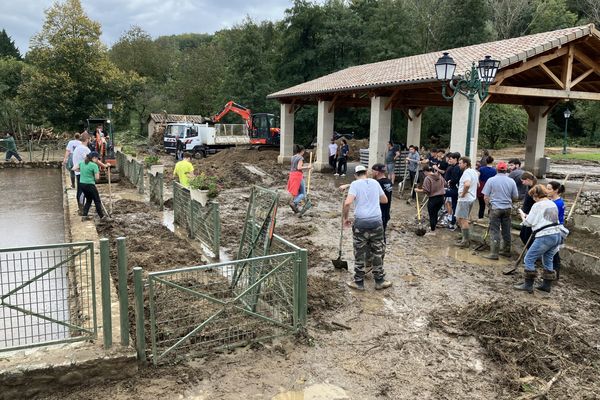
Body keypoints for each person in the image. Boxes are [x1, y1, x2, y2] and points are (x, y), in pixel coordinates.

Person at [341, 165, 391, 291]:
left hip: (361, 223)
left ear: (355, 175)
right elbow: (384, 200)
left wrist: (345, 218)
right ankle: (379, 281)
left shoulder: (355, 184)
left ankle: (359, 282)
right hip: (376, 221)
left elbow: (347, 203)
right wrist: (371, 200)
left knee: (359, 252)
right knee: (377, 251)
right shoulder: (375, 183)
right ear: (366, 173)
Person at [514, 185, 562, 293]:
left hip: (545, 235)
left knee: (529, 258)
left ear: (536, 195)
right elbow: (548, 219)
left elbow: (528, 223)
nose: (533, 199)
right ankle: (546, 286)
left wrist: (523, 215)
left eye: (533, 197)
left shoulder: (537, 205)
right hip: (556, 234)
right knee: (548, 259)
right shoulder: (552, 203)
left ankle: (528, 285)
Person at [481, 161, 519, 259]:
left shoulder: (491, 180)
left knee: (495, 231)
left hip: (495, 208)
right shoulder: (511, 181)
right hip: (507, 209)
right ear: (506, 170)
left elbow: (485, 197)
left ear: (497, 170)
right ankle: (506, 251)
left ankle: (494, 253)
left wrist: (488, 206)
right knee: (506, 230)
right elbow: (515, 197)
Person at [73, 151, 106, 220]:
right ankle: (102, 217)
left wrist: (81, 170)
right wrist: (93, 175)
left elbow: (74, 168)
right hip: (90, 184)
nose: (98, 160)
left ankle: (84, 216)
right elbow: (97, 178)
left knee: (89, 200)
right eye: (97, 159)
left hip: (82, 184)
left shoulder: (82, 163)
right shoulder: (94, 165)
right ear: (94, 158)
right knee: (97, 200)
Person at [455, 157, 479, 248]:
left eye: (460, 163)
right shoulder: (474, 172)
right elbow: (478, 184)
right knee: (459, 218)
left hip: (465, 199)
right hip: (471, 198)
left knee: (462, 219)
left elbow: (467, 184)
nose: (459, 165)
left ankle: (465, 241)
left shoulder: (467, 173)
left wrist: (463, 193)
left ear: (465, 164)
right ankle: (464, 236)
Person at [416, 165, 446, 234]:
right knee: (435, 213)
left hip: (433, 199)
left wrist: (418, 190)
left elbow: (426, 191)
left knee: (432, 215)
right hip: (441, 198)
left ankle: (432, 230)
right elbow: (445, 184)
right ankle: (434, 228)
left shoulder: (428, 178)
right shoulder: (440, 176)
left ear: (425, 171)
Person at [547, 181, 566, 280]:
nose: (547, 191)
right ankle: (554, 273)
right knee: (553, 253)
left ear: (556, 190)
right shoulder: (556, 201)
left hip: (555, 229)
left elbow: (551, 219)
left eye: (549, 189)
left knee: (554, 253)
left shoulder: (557, 204)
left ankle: (555, 273)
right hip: (555, 228)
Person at [371, 163, 393, 243]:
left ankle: (380, 252)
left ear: (377, 172)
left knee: (377, 236)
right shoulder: (389, 182)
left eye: (372, 171)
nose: (371, 173)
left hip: (378, 213)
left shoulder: (377, 183)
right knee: (382, 233)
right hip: (386, 212)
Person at [287, 145, 312, 213]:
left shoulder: (293, 157)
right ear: (302, 151)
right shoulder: (300, 158)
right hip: (298, 176)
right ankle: (294, 203)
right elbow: (299, 167)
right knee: (303, 193)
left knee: (297, 192)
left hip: (292, 175)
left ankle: (295, 206)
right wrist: (308, 167)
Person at [72, 132, 92, 209]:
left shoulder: (77, 148)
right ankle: (82, 209)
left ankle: (80, 208)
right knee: (83, 191)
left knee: (79, 190)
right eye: (89, 139)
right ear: (87, 139)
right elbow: (90, 161)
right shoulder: (85, 149)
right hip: (83, 173)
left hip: (77, 172)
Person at [518, 172, 537, 246]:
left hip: (531, 216)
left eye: (523, 181)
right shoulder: (528, 188)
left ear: (528, 180)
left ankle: (532, 254)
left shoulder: (535, 189)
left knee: (527, 237)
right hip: (525, 216)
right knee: (523, 235)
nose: (522, 183)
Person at [444, 152, 462, 231]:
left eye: (451, 159)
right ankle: (453, 221)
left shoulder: (456, 168)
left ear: (455, 159)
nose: (450, 160)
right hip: (454, 188)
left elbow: (455, 179)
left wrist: (449, 182)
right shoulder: (454, 167)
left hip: (455, 189)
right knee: (454, 206)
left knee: (454, 206)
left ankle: (453, 223)